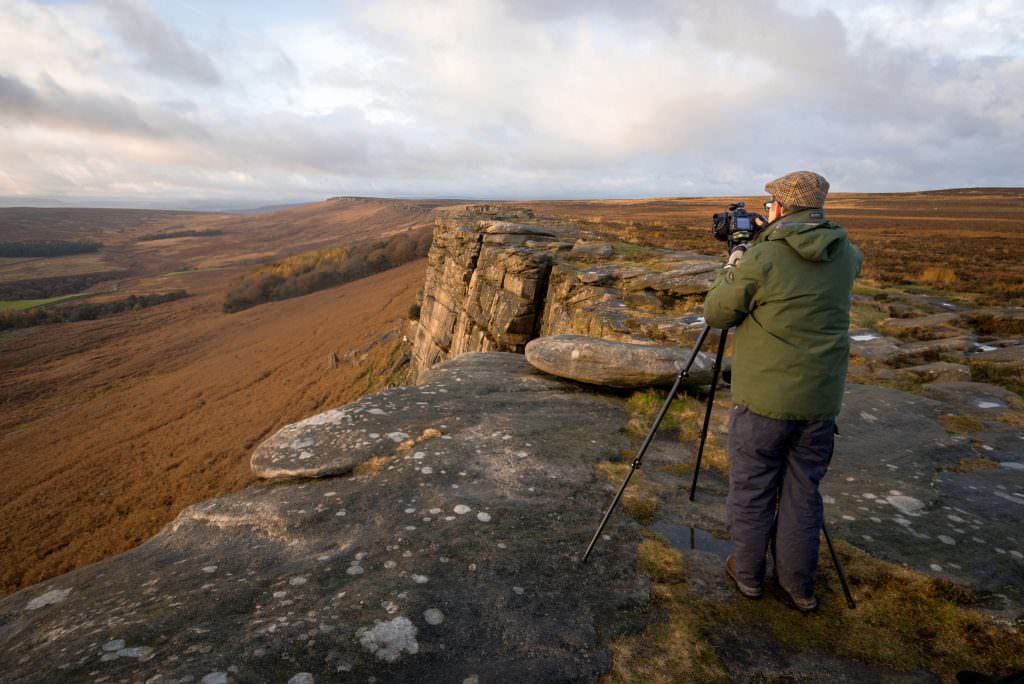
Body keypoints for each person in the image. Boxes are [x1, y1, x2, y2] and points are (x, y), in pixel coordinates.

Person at [702, 170, 863, 611]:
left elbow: (717, 312)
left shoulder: (763, 258)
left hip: (764, 402)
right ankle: (799, 588)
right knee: (802, 492)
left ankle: (750, 576)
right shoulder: (847, 254)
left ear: (778, 207)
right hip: (820, 403)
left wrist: (737, 258)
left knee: (753, 487)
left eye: (769, 203)